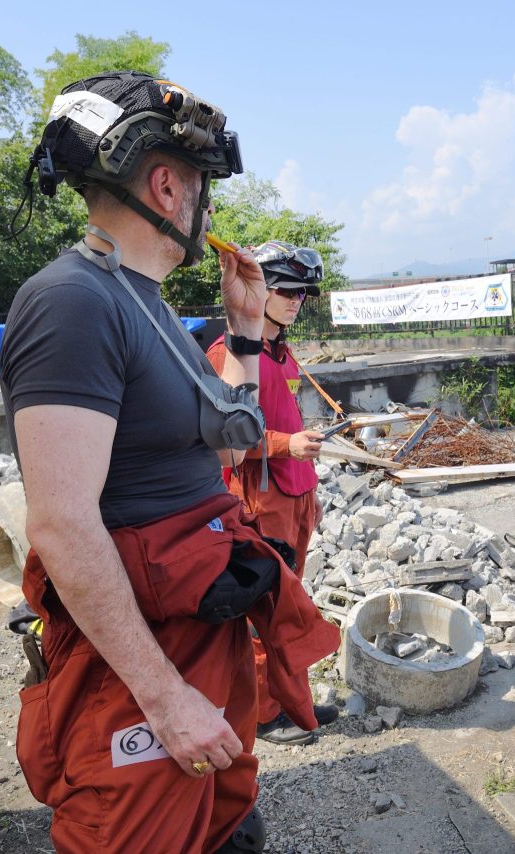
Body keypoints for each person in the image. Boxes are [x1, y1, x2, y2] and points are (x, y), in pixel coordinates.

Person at [0, 71, 337, 853]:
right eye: (203, 191)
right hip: (139, 660)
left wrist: (245, 332)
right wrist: (164, 699)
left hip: (197, 624)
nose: (207, 211)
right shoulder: (72, 302)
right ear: (166, 186)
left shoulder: (141, 300)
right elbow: (61, 520)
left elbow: (228, 439)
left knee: (220, 826)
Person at [205, 240, 337, 747]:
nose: (295, 299)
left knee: (292, 605)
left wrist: (311, 494)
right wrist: (287, 446)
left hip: (293, 497)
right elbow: (224, 438)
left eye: (301, 292)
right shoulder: (230, 354)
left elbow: (287, 420)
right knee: (264, 612)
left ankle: (292, 702)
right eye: (285, 289)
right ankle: (263, 712)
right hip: (260, 501)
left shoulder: (281, 352)